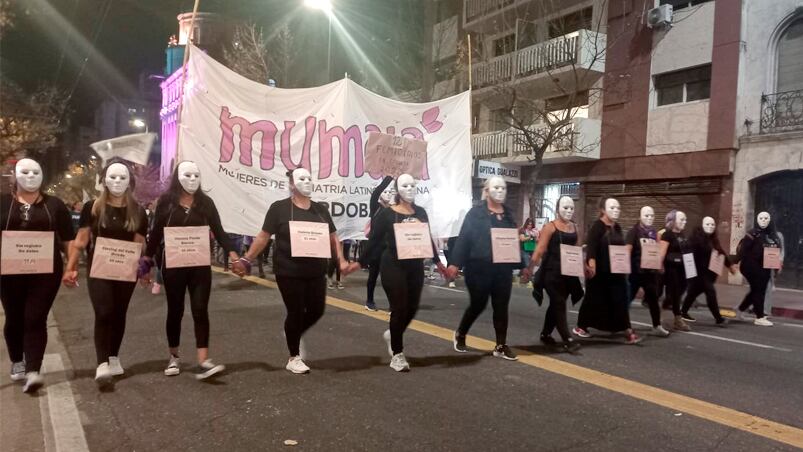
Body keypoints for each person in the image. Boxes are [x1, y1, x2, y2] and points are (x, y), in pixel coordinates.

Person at [232, 168, 352, 374]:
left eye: (309, 178)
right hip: (289, 270)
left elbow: (333, 236)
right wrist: (246, 259)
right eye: (302, 179)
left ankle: (292, 332)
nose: (307, 182)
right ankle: (293, 356)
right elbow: (263, 236)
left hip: (316, 270)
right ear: (291, 185)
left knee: (317, 310)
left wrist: (341, 260)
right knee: (296, 310)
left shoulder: (320, 210)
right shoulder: (278, 209)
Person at [141, 161, 239, 379]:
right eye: (188, 175)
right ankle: (174, 356)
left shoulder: (206, 203)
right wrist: (146, 262)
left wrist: (234, 256)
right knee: (175, 310)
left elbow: (220, 232)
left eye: (197, 175)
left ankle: (204, 360)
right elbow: (156, 232)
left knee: (200, 309)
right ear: (178, 177)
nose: (193, 179)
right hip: (174, 265)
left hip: (200, 266)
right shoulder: (166, 202)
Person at [63, 160, 148, 388]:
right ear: (104, 180)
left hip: (125, 269)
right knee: (104, 311)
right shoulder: (93, 207)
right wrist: (70, 267)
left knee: (119, 312)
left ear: (130, 181)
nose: (118, 182)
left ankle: (113, 356)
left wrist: (144, 270)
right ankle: (101, 364)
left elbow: (141, 245)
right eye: (113, 177)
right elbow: (81, 241)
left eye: (122, 178)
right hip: (99, 269)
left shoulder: (139, 211)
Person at [349, 173, 445, 372]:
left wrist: (440, 264)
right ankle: (398, 353)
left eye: (412, 185)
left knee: (412, 307)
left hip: (415, 266)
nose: (410, 188)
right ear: (397, 189)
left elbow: (427, 239)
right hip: (393, 266)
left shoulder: (421, 212)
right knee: (399, 308)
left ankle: (393, 333)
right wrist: (359, 263)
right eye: (405, 185)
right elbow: (374, 241)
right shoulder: (386, 214)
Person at [1, 158, 75, 393]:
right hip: (8, 273)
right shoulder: (3, 203)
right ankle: (17, 360)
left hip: (45, 272)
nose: (31, 176)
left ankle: (33, 369)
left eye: (36, 172)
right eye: (25, 172)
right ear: (15, 176)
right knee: (14, 318)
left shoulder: (55, 205)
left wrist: (71, 266)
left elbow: (68, 239)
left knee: (35, 317)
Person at [446, 176, 522, 360]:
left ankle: (501, 345)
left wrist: (523, 266)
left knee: (501, 306)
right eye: (496, 187)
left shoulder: (509, 215)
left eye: (503, 188)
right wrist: (455, 263)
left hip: (502, 269)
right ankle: (461, 333)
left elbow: (513, 241)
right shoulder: (475, 213)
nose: (500, 191)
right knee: (478, 304)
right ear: (487, 191)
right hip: (479, 267)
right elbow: (464, 238)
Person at [573, 198, 642, 344]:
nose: (616, 210)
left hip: (616, 271)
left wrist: (624, 265)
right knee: (593, 300)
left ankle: (627, 330)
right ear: (603, 210)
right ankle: (581, 326)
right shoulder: (597, 227)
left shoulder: (617, 227)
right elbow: (591, 247)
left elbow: (621, 248)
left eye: (618, 208)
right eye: (612, 207)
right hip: (599, 272)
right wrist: (591, 265)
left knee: (620, 299)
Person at [523, 196, 583, 353]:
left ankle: (545, 333)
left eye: (571, 208)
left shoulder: (575, 228)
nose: (569, 211)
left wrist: (584, 267)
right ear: (557, 209)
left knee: (556, 305)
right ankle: (567, 339)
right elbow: (540, 249)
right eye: (565, 207)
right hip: (551, 273)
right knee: (559, 303)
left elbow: (576, 251)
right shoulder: (550, 227)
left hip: (568, 274)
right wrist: (529, 268)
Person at [680, 217, 735, 326]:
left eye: (712, 225)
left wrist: (730, 265)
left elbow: (720, 252)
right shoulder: (695, 239)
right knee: (711, 293)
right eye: (708, 224)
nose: (710, 227)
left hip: (708, 273)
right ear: (702, 225)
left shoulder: (713, 239)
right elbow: (688, 255)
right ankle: (718, 319)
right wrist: (690, 272)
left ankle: (683, 312)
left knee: (693, 293)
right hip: (698, 273)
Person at [625, 206, 670, 337]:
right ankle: (623, 326)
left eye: (651, 216)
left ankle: (657, 326)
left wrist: (659, 265)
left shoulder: (654, 232)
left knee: (654, 300)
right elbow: (627, 250)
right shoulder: (633, 232)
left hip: (650, 274)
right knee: (627, 300)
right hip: (636, 273)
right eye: (646, 215)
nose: (649, 218)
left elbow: (656, 250)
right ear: (640, 217)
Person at [735, 211, 781, 327]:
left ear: (769, 220)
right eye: (761, 218)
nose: (764, 220)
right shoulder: (752, 234)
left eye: (766, 218)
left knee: (757, 290)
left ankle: (740, 310)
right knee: (758, 290)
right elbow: (743, 250)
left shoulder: (772, 235)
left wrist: (775, 269)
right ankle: (759, 317)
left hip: (765, 267)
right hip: (750, 267)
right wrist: (732, 262)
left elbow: (775, 252)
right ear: (757, 219)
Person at [364, 176, 394, 311]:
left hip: (389, 250)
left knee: (389, 278)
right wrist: (389, 177)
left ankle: (392, 305)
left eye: (390, 192)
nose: (388, 194)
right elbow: (377, 192)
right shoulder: (375, 207)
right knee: (373, 275)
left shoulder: (394, 209)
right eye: (385, 192)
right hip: (376, 249)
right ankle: (369, 300)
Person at [659, 210, 691, 332]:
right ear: (673, 221)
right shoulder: (667, 234)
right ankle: (677, 319)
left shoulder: (682, 235)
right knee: (675, 292)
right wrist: (660, 265)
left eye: (685, 219)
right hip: (671, 269)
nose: (684, 222)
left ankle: (666, 306)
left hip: (682, 269)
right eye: (681, 219)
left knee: (680, 290)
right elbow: (662, 251)